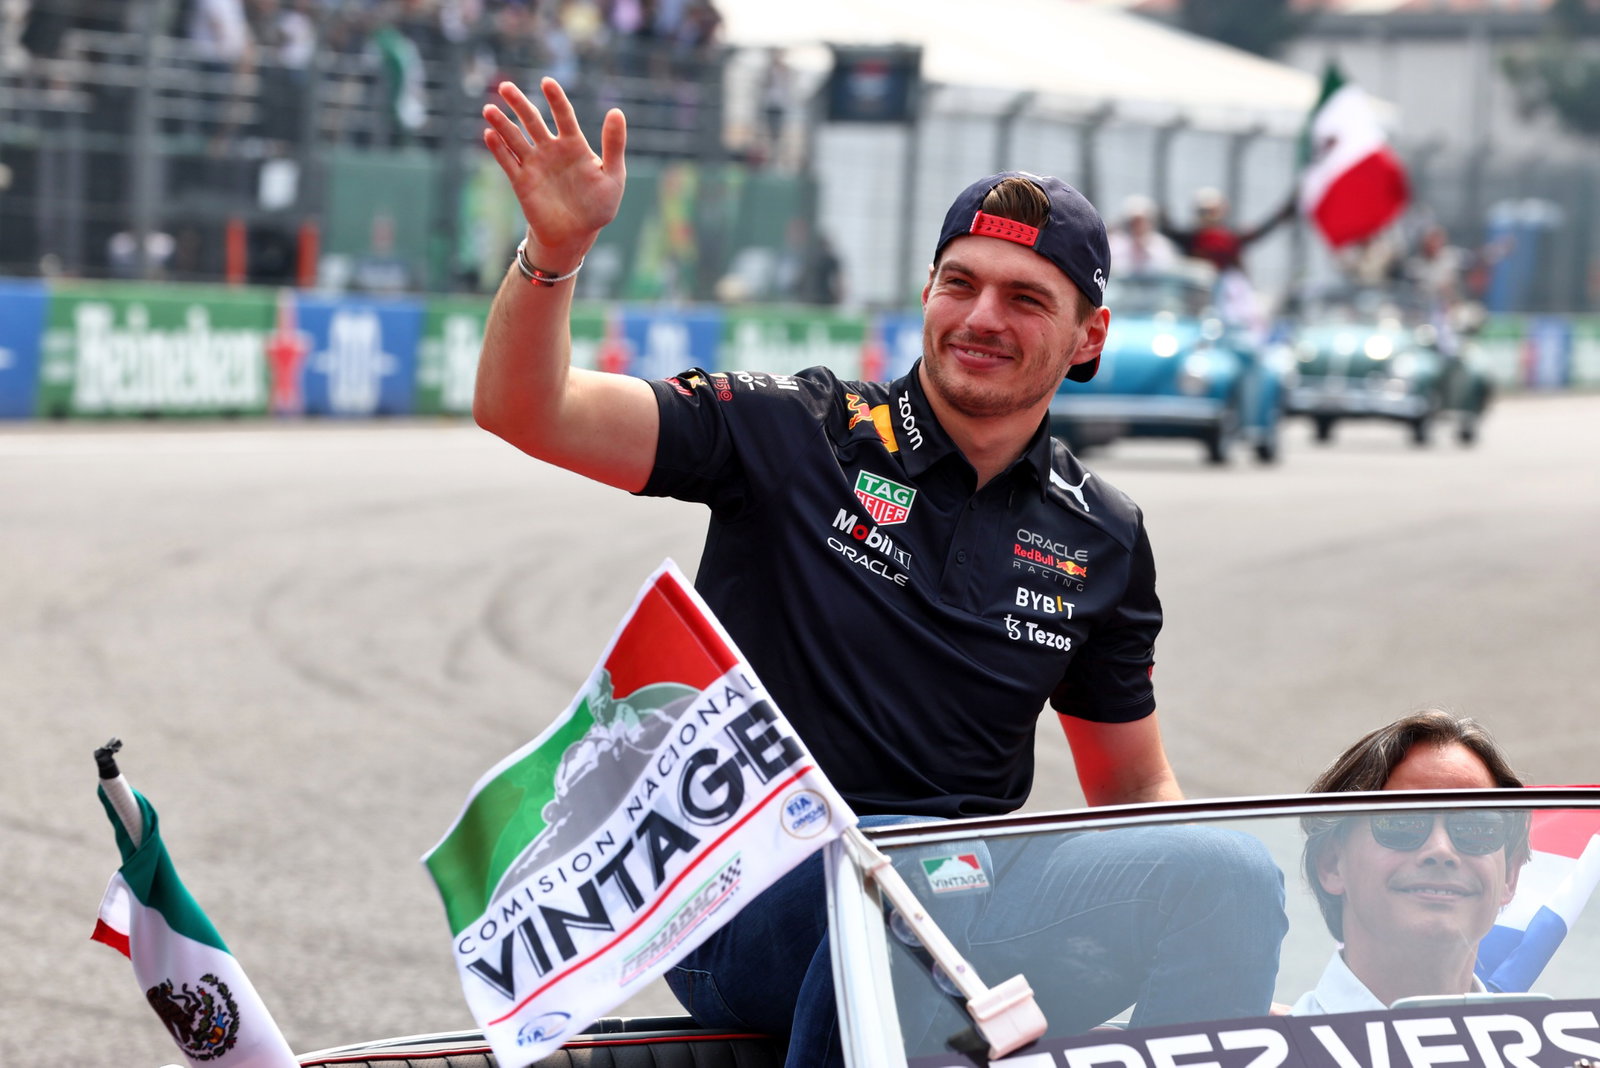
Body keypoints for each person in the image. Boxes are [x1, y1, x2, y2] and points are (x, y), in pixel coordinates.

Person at [473, 77, 1286, 1064]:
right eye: (960, 282)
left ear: (1089, 338)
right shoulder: (794, 429)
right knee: (904, 878)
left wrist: (1192, 870)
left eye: (1025, 298)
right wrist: (554, 255)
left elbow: (1133, 788)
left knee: (1232, 876)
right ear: (929, 293)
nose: (982, 315)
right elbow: (529, 410)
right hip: (745, 896)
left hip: (966, 886)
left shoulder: (1101, 533)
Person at [1293, 710, 1530, 1015]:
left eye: (1476, 827)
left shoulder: (1569, 1058)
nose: (1441, 850)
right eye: (1401, 822)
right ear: (1331, 863)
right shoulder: (1260, 1059)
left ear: (1510, 876)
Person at [1107, 195, 1179, 276]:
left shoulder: (1161, 244)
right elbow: (1112, 268)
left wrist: (1145, 250)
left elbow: (1168, 269)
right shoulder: (1116, 243)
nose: (1138, 225)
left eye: (1141, 221)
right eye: (1134, 221)